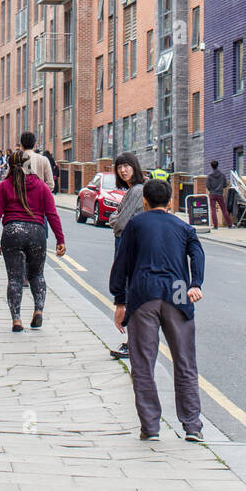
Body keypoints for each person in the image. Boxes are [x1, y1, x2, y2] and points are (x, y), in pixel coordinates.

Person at [110, 175, 205, 443]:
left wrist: (120, 300)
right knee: (185, 362)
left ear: (145, 200)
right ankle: (192, 426)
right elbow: (197, 253)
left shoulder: (135, 224)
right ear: (171, 201)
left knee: (143, 363)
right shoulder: (183, 226)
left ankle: (151, 427)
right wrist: (195, 282)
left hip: (144, 293)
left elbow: (122, 263)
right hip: (177, 291)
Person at [0, 150, 65, 331]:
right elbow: (52, 214)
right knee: (37, 275)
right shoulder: (41, 186)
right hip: (36, 233)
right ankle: (38, 310)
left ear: (10, 165)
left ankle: (16, 319)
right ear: (29, 165)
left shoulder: (4, 186)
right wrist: (60, 239)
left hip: (12, 232)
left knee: (15, 278)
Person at [108, 153, 147, 360]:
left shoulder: (137, 191)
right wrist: (116, 217)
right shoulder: (133, 190)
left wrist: (115, 219)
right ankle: (133, 343)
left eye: (126, 166)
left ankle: (133, 344)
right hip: (132, 242)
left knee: (129, 290)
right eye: (119, 167)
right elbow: (117, 217)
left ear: (135, 167)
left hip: (128, 243)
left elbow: (119, 223)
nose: (123, 170)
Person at [206, 160, 232, 230]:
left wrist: (211, 190)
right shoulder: (222, 175)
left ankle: (215, 226)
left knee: (213, 210)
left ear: (211, 166)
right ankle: (229, 224)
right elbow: (225, 185)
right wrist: (220, 189)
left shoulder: (209, 176)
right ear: (217, 165)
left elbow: (208, 186)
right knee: (224, 209)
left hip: (212, 194)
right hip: (220, 194)